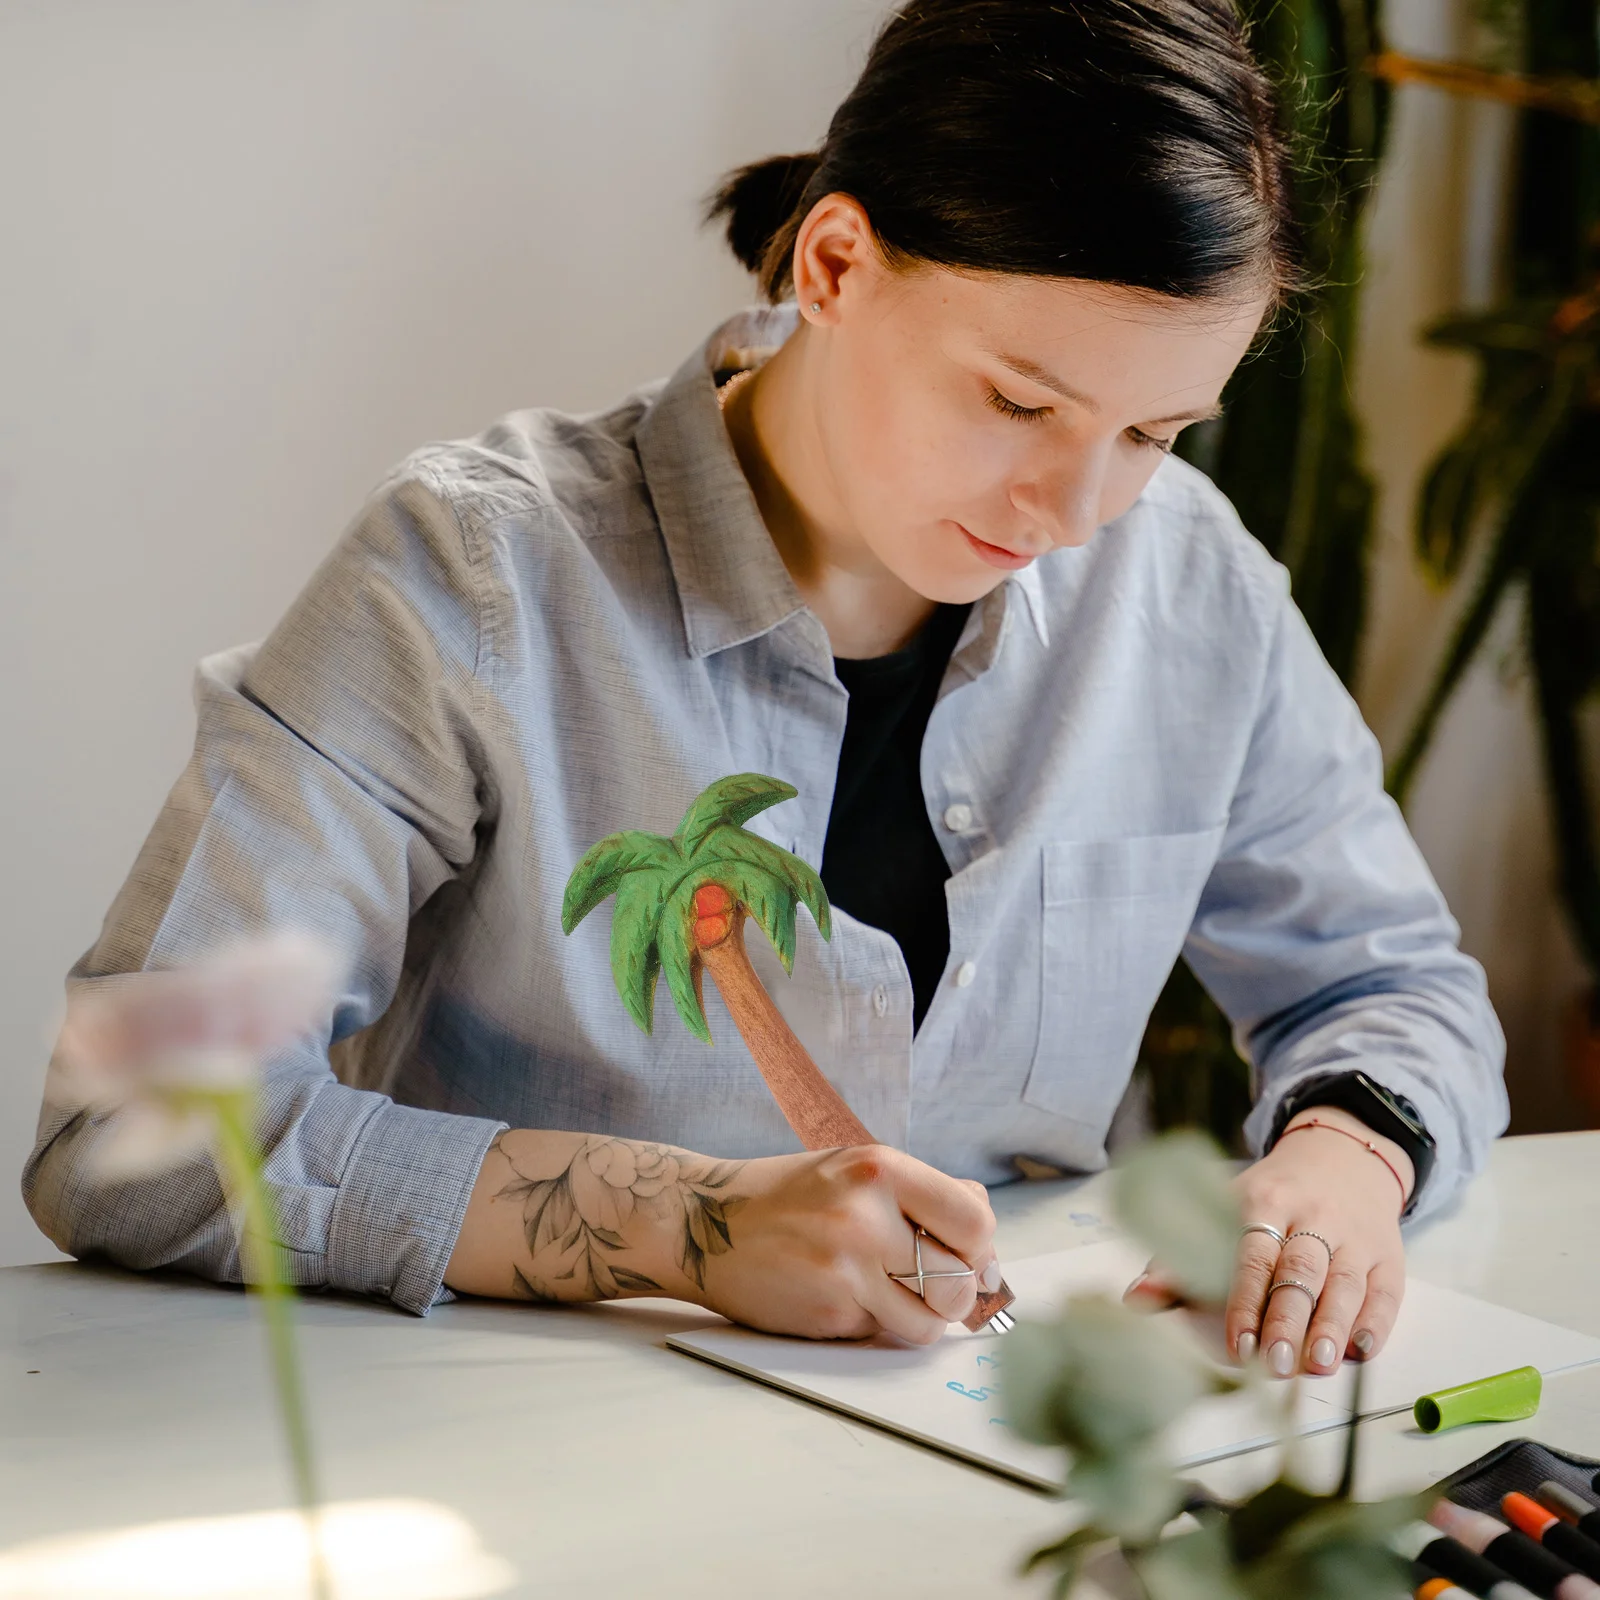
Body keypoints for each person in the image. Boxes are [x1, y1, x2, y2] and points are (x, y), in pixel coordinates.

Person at [25, 0, 1506, 1378]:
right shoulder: (472, 577)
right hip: (513, 1440)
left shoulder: (1189, 585)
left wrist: (1343, 1163)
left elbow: (1386, 983)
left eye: (1155, 432)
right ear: (836, 265)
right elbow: (127, 1132)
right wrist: (683, 1223)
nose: (1078, 511)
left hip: (999, 1451)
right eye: (1017, 404)